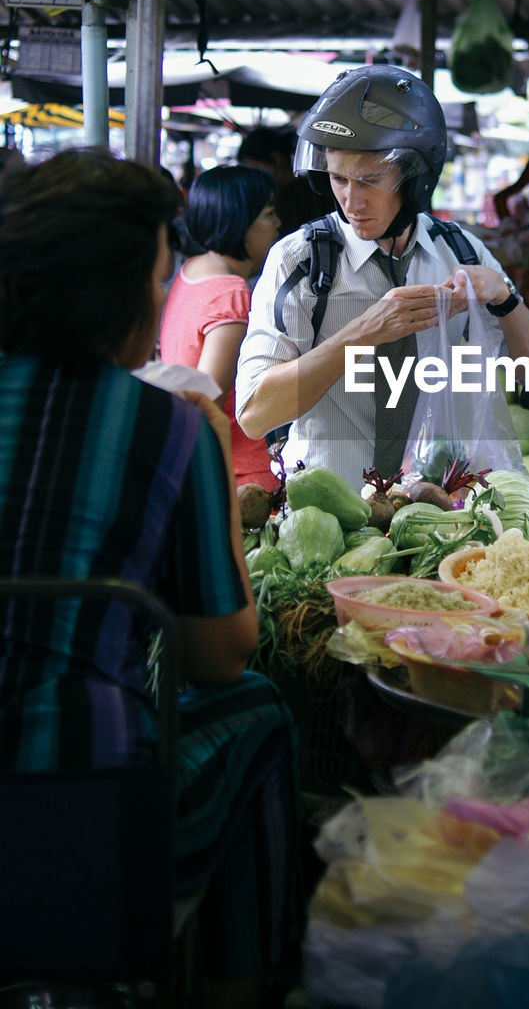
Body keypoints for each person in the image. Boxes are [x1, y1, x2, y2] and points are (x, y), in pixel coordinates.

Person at [0, 150, 301, 1009]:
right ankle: (232, 995)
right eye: (159, 282)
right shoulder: (164, 427)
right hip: (75, 798)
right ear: (123, 295)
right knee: (258, 715)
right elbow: (219, 655)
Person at [235, 65, 529, 489]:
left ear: (415, 179)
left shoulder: (460, 253)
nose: (351, 201)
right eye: (338, 178)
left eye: (370, 181)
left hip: (439, 520)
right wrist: (361, 334)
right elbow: (255, 415)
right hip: (334, 523)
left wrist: (505, 298)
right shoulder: (299, 261)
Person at [159, 164, 282, 491]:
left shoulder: (193, 270)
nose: (278, 224)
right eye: (269, 214)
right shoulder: (231, 293)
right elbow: (206, 398)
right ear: (240, 223)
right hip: (241, 475)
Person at [237, 123, 333, 238]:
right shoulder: (313, 188)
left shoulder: (286, 198)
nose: (252, 178)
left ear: (277, 160)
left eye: (255, 169)